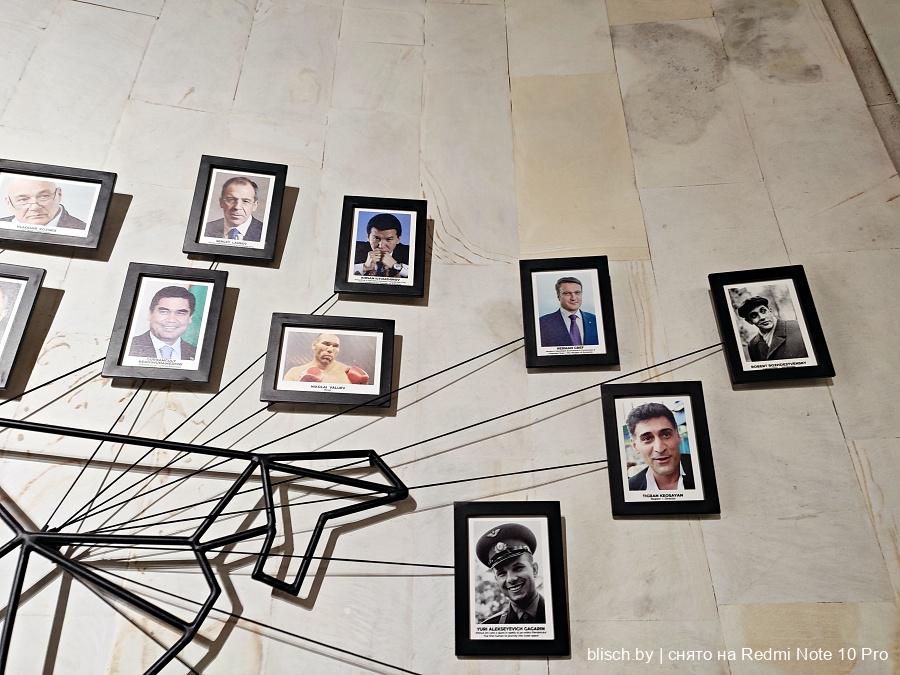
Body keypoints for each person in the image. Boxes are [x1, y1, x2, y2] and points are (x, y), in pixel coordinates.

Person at [476, 522, 546, 624]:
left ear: (534, 569)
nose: (510, 579)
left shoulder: (559, 614)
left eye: (518, 568)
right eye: (502, 573)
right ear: (496, 579)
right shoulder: (490, 626)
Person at [626, 402, 694, 492]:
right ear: (635, 446)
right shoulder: (630, 489)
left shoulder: (703, 469)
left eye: (666, 435)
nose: (660, 448)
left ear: (678, 436)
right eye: (647, 438)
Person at [128, 286, 197, 360]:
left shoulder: (197, 354)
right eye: (163, 312)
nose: (171, 320)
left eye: (180, 313)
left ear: (190, 318)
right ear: (150, 314)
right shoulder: (129, 347)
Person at [737, 296, 808, 361]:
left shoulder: (799, 327)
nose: (762, 317)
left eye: (763, 311)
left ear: (770, 310)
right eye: (754, 315)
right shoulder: (752, 345)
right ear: (749, 321)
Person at [1, 177, 88, 230]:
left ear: (59, 194)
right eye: (23, 200)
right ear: (8, 202)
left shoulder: (85, 231)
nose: (35, 207)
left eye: (43, 196)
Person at [283, 333, 369, 384]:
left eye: (335, 346)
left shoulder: (350, 373)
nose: (330, 349)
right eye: (326, 344)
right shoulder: (295, 372)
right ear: (314, 345)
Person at [538, 276, 599, 347]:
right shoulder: (542, 323)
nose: (573, 298)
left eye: (577, 293)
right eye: (567, 293)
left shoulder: (596, 320)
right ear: (558, 296)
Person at [204, 176, 263, 242]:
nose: (237, 207)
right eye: (231, 199)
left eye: (245, 201)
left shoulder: (265, 233)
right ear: (221, 202)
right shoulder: (206, 229)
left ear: (254, 205)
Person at [352, 213, 410, 278]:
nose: (381, 246)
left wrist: (396, 266)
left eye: (389, 239)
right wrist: (364, 267)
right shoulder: (355, 248)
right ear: (368, 237)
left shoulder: (409, 252)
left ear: (398, 239)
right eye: (376, 238)